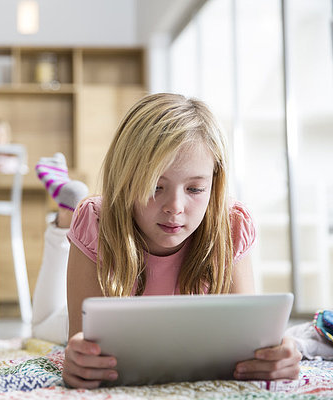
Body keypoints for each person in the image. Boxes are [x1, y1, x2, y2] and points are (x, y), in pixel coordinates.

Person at [30, 93, 302, 389]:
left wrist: (274, 354)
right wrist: (79, 360)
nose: (175, 206)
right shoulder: (96, 220)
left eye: (196, 189)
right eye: (155, 186)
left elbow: (252, 342)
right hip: (100, 267)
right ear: (125, 178)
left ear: (215, 184)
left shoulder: (232, 224)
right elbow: (79, 344)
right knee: (43, 325)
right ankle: (63, 221)